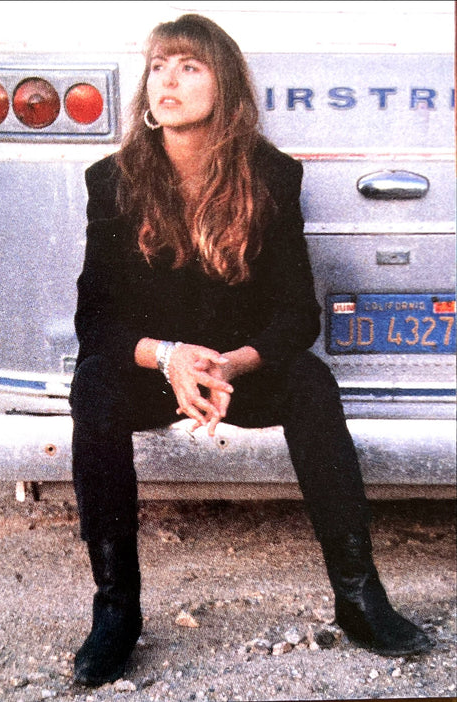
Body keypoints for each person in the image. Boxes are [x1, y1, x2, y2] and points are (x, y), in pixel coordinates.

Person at [69, 13, 433, 688]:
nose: (167, 81)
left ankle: (359, 598)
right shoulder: (112, 181)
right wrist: (170, 356)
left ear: (226, 86)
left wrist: (230, 364)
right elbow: (96, 319)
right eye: (158, 67)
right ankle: (115, 611)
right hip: (160, 370)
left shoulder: (271, 176)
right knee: (93, 385)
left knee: (310, 383)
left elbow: (298, 315)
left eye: (189, 66)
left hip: (238, 373)